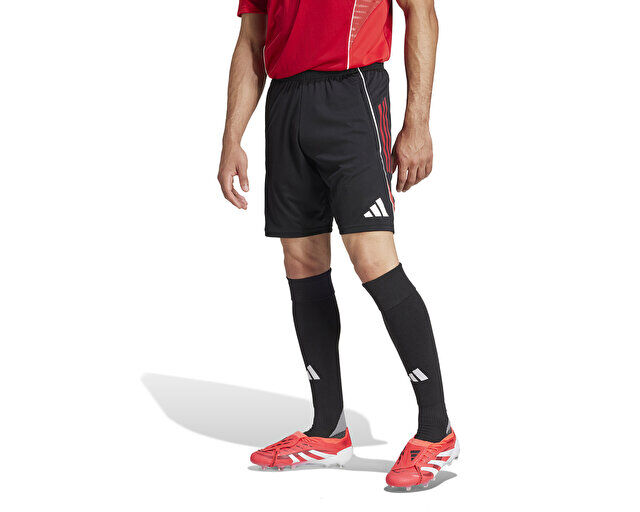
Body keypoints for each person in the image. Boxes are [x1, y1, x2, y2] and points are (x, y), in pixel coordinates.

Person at [218, 0, 458, 490]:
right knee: (301, 262)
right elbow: (251, 39)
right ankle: (327, 430)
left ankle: (437, 431)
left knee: (374, 260)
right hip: (286, 101)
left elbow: (422, 13)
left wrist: (418, 122)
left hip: (352, 94)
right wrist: (231, 137)